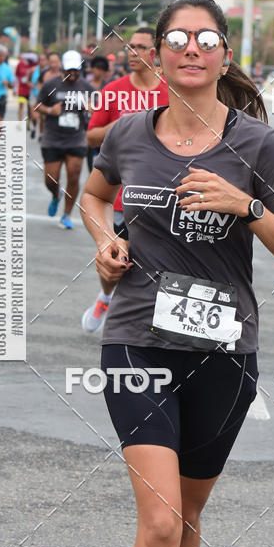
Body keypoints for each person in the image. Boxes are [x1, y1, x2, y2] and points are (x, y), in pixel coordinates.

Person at [80, 0, 274, 547]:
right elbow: (95, 198)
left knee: (185, 517)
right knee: (157, 521)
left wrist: (245, 206)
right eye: (177, 37)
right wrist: (106, 241)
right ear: (157, 51)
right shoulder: (128, 133)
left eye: (205, 38)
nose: (191, 48)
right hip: (136, 340)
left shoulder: (255, 145)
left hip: (223, 354)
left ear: (225, 54)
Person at [81, 27, 169, 332]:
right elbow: (91, 136)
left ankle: (150, 322)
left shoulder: (172, 91)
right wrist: (124, 124)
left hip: (164, 196)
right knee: (118, 262)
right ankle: (105, 296)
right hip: (121, 196)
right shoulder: (113, 90)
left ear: (155, 54)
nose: (132, 53)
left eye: (140, 47)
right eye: (129, 47)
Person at [36, 49, 92, 229]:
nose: (73, 74)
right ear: (62, 69)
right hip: (52, 138)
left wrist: (91, 109)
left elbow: (98, 108)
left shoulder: (87, 88)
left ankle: (67, 214)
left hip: (76, 138)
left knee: (74, 176)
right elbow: (37, 105)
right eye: (70, 71)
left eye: (76, 70)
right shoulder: (50, 85)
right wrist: (50, 110)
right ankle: (55, 195)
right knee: (50, 180)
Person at [15, 53, 34, 122]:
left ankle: (29, 121)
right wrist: (15, 88)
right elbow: (16, 76)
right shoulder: (20, 64)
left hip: (31, 90)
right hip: (22, 89)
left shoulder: (34, 65)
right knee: (21, 106)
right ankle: (20, 122)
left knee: (30, 108)